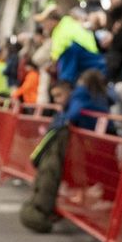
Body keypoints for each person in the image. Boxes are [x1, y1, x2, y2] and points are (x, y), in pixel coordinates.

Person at [20, 68, 113, 233]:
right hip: (100, 143)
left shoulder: (80, 95)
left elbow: (73, 115)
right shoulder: (100, 96)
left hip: (91, 145)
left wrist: (63, 120)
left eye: (59, 95)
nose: (57, 101)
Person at [36, 2, 105, 86]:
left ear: (52, 21)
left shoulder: (60, 30)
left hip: (89, 60)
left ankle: (65, 85)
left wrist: (53, 64)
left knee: (67, 54)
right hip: (94, 59)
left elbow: (57, 54)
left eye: (44, 22)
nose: (43, 26)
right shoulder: (68, 22)